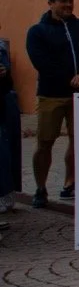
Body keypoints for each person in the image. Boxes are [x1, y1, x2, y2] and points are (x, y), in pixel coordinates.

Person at [26, 0, 79, 206]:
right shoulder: (37, 32)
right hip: (51, 95)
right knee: (45, 142)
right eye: (63, 1)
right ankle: (40, 188)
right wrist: (71, 78)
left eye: (70, 1)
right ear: (51, 3)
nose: (68, 5)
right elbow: (41, 62)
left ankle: (69, 184)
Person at [0, 33, 17, 213]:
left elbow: (7, 86)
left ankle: (5, 191)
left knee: (3, 154)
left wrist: (5, 75)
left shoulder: (1, 50)